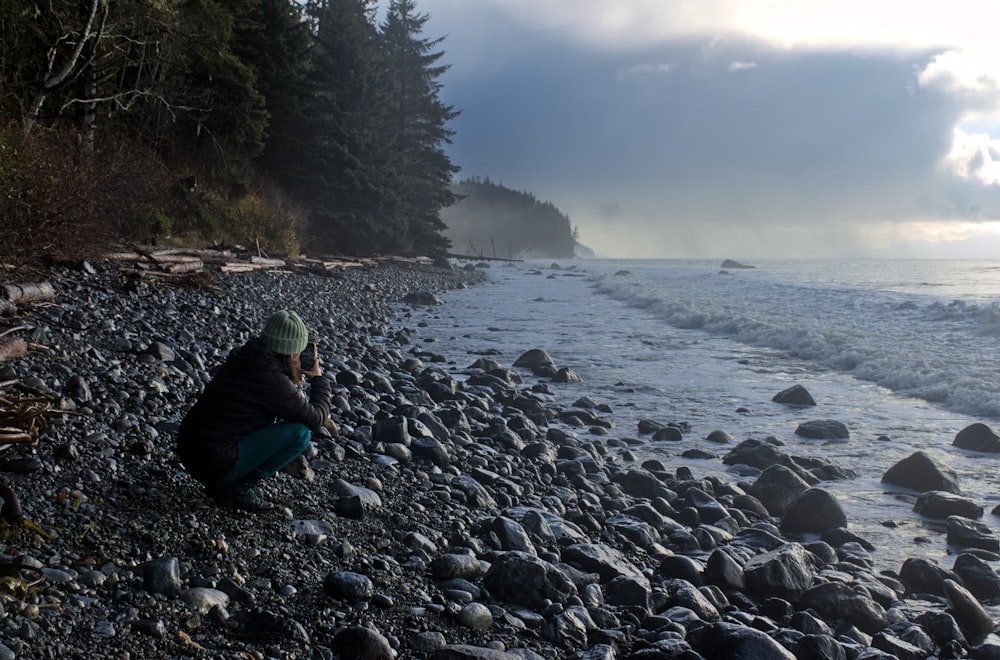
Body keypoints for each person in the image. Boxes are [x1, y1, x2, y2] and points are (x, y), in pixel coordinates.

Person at [177, 310, 331, 512]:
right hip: (212, 463)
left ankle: (227, 483)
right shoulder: (273, 381)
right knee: (300, 433)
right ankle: (238, 489)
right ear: (291, 351)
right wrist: (319, 380)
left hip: (189, 450)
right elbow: (316, 418)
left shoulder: (244, 357)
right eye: (300, 350)